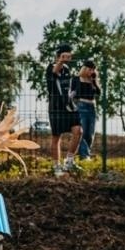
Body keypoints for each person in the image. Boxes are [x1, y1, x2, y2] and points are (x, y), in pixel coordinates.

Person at [45, 44, 82, 176]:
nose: (67, 58)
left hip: (69, 106)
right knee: (56, 137)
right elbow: (55, 72)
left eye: (69, 56)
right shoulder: (51, 67)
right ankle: (56, 167)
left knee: (78, 130)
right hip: (56, 107)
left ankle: (69, 161)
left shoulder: (67, 69)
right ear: (58, 56)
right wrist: (60, 61)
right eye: (64, 55)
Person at [71, 59, 101, 160]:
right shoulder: (76, 79)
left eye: (93, 70)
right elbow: (73, 93)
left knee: (90, 133)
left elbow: (98, 92)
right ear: (85, 69)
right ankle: (84, 155)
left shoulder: (93, 80)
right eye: (90, 69)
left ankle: (85, 153)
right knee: (82, 132)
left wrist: (93, 81)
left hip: (92, 107)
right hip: (81, 106)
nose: (92, 71)